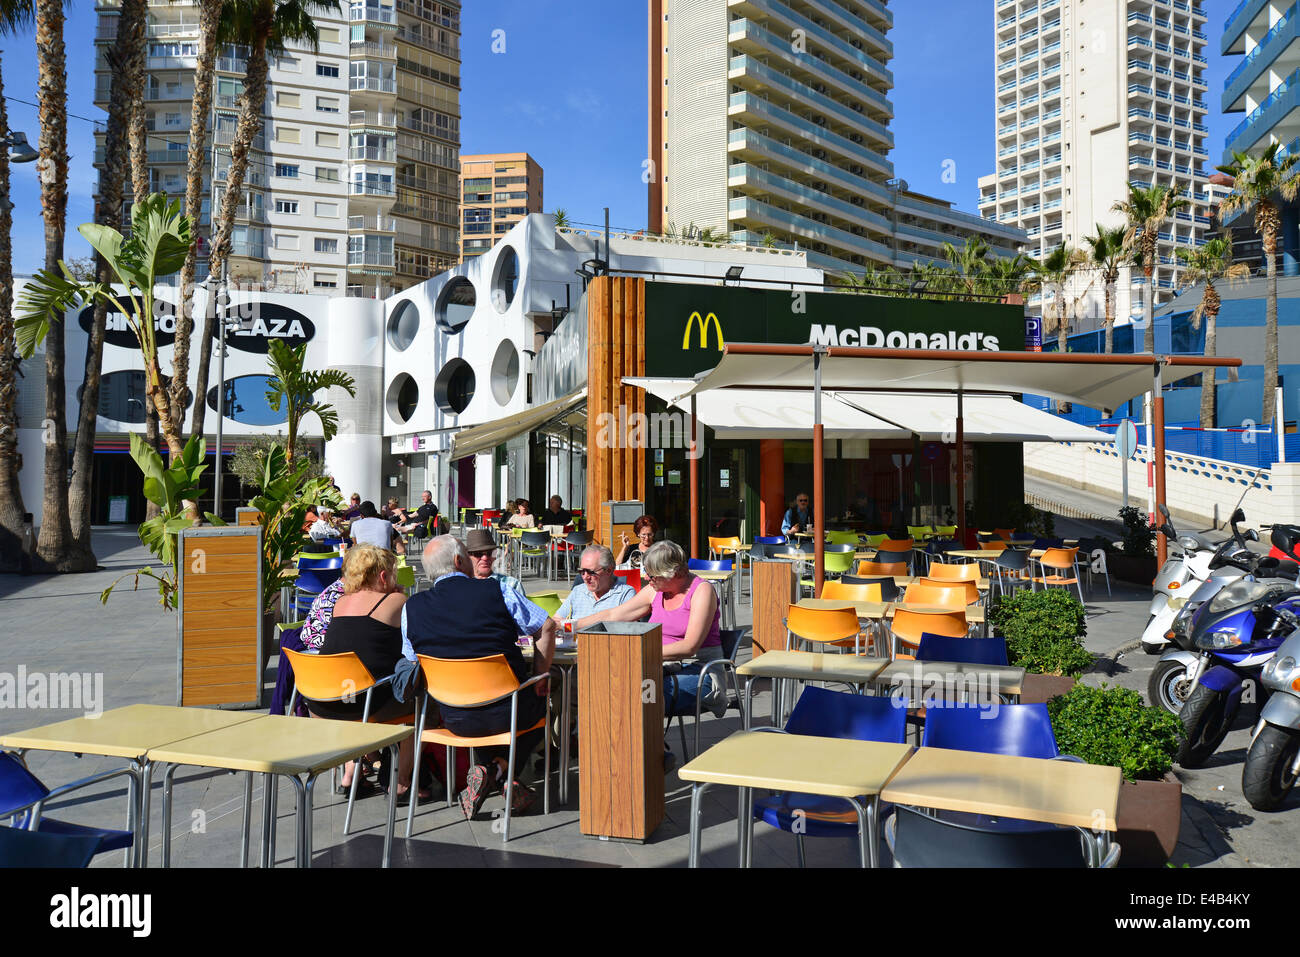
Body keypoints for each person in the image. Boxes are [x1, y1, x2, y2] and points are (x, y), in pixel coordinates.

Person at [403, 536, 556, 820]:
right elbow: (546, 627)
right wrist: (541, 675)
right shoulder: (497, 590)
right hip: (507, 710)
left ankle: (493, 773)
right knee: (539, 703)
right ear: (459, 561)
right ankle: (499, 773)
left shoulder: (411, 608)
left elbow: (414, 660)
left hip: (453, 716)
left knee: (490, 712)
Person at [575, 540, 726, 757]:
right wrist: (569, 625)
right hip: (656, 666)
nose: (646, 578)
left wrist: (638, 652)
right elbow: (612, 615)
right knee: (608, 683)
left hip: (701, 671)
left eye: (652, 575)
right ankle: (613, 753)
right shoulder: (655, 591)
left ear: (673, 573)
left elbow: (689, 647)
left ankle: (650, 753)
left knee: (641, 690)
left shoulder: (702, 591)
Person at [312, 546, 422, 802]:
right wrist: (399, 597)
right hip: (365, 705)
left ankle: (351, 771)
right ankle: (401, 782)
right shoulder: (395, 601)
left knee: (354, 688)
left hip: (325, 703)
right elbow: (414, 647)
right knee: (422, 702)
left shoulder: (339, 604)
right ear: (384, 577)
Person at [556, 545, 637, 620]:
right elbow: (557, 620)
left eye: (590, 572)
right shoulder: (578, 591)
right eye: (582, 571)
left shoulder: (625, 594)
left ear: (609, 571)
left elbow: (630, 630)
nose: (585, 577)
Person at [465, 527, 525, 596]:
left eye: (489, 553)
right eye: (478, 554)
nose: (485, 558)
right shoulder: (461, 586)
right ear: (468, 557)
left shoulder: (512, 585)